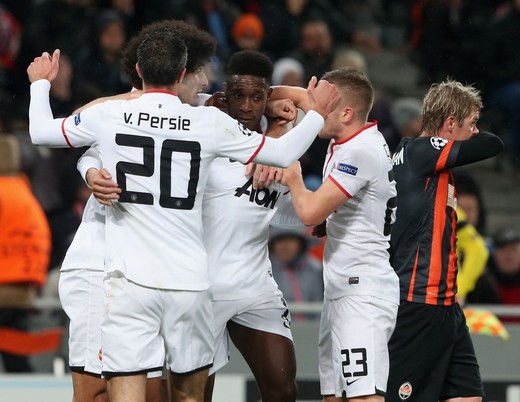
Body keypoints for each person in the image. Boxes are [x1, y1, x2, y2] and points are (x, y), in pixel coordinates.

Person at [27, 30, 340, 402]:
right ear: (181, 74)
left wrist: (40, 85)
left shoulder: (110, 115)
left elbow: (41, 132)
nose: (205, 82)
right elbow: (285, 151)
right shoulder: (208, 123)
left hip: (130, 278)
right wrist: (314, 114)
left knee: (128, 391)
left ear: (139, 70)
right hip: (190, 281)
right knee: (189, 395)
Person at [57, 20, 218, 402]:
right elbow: (81, 139)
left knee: (153, 391)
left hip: (154, 275)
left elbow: (262, 103)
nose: (206, 81)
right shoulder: (119, 112)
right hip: (101, 266)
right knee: (96, 392)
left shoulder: (201, 117)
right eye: (199, 71)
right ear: (178, 73)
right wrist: (91, 171)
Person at [280, 66, 399, 402]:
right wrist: (274, 97)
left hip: (362, 293)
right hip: (341, 288)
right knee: (333, 396)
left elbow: (309, 213)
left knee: (363, 396)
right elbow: (299, 97)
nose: (314, 114)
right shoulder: (350, 138)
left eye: (324, 107)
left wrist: (293, 175)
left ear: (346, 113)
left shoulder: (360, 152)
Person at [387, 80, 504, 402]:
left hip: (445, 305)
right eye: (472, 123)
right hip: (418, 301)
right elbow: (492, 144)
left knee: (467, 396)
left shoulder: (416, 157)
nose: (476, 131)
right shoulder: (423, 150)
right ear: (450, 123)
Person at [268, 227, 324, 321]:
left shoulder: (317, 270)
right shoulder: (264, 273)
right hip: (276, 329)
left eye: (290, 239)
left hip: (314, 328)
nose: (285, 245)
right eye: (279, 240)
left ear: (300, 243)